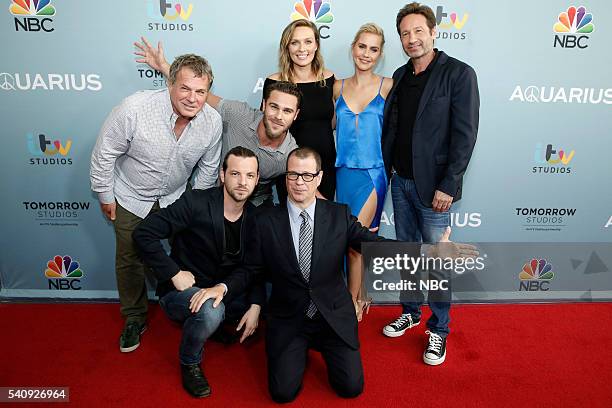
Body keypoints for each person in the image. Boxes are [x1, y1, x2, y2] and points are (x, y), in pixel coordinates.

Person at [90, 54, 222, 353]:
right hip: (130, 196)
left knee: (188, 254)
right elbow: (105, 152)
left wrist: (196, 207)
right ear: (170, 83)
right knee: (129, 258)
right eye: (185, 88)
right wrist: (104, 193)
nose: (193, 98)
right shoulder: (135, 108)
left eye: (200, 91)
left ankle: (188, 309)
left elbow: (210, 168)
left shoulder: (212, 123)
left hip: (176, 198)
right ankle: (134, 318)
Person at [380, 2, 480, 366]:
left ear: (433, 32)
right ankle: (410, 311)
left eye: (418, 31)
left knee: (438, 260)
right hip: (401, 183)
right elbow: (393, 128)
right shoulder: (401, 75)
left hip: (435, 189)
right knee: (407, 254)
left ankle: (439, 330)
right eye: (405, 33)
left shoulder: (459, 74)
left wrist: (449, 184)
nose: (412, 39)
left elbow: (465, 135)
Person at [132, 147, 261, 398]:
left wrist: (256, 305)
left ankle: (216, 322)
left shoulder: (257, 218)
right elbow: (143, 233)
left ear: (257, 180)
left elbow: (253, 267)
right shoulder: (196, 202)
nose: (242, 182)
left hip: (224, 291)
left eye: (249, 175)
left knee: (269, 296)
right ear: (223, 175)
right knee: (212, 310)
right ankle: (189, 362)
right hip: (182, 293)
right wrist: (173, 273)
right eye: (235, 173)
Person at [134, 38, 300, 207]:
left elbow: (306, 182)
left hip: (255, 205)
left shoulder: (289, 155)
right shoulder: (238, 114)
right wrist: (164, 67)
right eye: (274, 107)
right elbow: (201, 95)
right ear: (264, 105)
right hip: (216, 197)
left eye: (287, 111)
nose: (278, 116)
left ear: (296, 115)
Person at [333, 23, 393, 321]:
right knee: (349, 240)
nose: (366, 54)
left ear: (380, 54)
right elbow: (325, 126)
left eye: (373, 49)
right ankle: (362, 292)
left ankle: (351, 305)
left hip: (373, 174)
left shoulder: (388, 86)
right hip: (344, 174)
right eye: (362, 46)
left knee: (355, 240)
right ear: (352, 48)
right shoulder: (337, 87)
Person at [263, 19, 336, 200]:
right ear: (287, 47)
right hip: (290, 169)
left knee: (321, 223)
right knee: (291, 223)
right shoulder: (274, 83)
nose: (302, 49)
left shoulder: (329, 78)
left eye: (308, 41)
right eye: (295, 42)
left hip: (324, 166)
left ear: (316, 45)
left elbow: (333, 121)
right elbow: (269, 129)